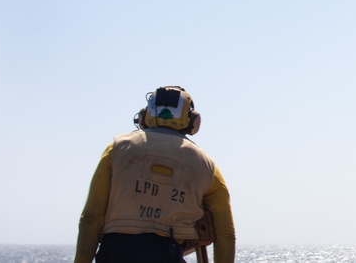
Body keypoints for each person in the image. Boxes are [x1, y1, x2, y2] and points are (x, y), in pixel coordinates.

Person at [74, 86, 235, 263]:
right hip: (168, 253)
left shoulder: (117, 149)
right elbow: (225, 234)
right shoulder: (206, 166)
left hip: (114, 252)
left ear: (145, 115)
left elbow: (91, 218)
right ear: (193, 121)